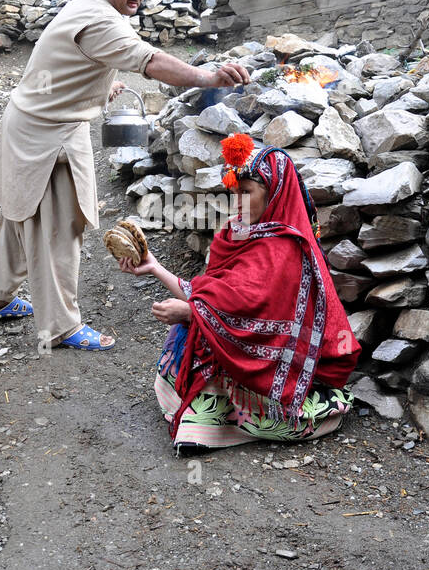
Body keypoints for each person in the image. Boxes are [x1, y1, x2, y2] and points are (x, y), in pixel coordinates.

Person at [0, 0, 249, 351]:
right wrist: (207, 77)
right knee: (58, 225)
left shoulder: (88, 6)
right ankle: (62, 327)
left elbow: (71, 66)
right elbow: (151, 60)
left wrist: (100, 88)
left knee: (20, 213)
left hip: (32, 120)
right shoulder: (102, 20)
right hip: (50, 135)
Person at [120, 136, 360, 453]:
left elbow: (244, 315)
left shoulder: (286, 249)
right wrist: (154, 267)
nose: (238, 202)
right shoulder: (238, 233)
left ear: (274, 193)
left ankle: (291, 411)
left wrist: (194, 314)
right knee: (203, 323)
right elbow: (209, 296)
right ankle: (215, 414)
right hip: (249, 348)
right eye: (235, 192)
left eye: (247, 192)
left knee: (204, 325)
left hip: (285, 366)